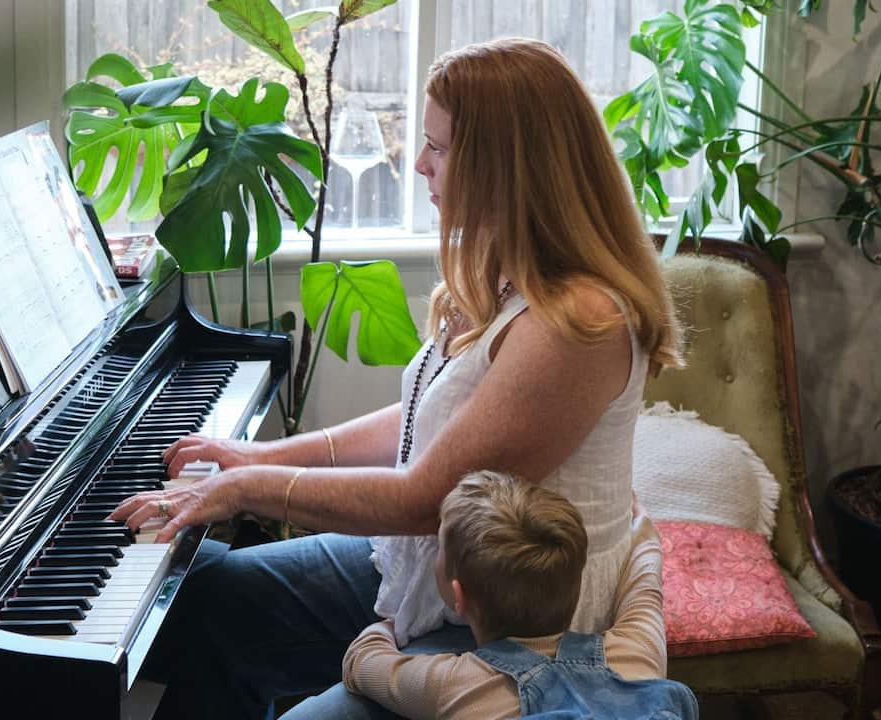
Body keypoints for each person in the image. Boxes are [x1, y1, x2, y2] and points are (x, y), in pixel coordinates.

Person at [109, 36, 683, 719]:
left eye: (439, 148)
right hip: (435, 568)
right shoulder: (505, 273)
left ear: (507, 165)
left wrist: (244, 488)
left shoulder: (579, 323)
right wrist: (257, 455)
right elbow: (425, 424)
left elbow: (425, 496)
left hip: (519, 626)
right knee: (204, 605)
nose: (418, 165)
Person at [342, 471, 697, 719]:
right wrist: (642, 523)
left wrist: (389, 625)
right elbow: (645, 583)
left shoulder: (456, 684)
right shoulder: (635, 652)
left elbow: (361, 663)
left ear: (459, 597)